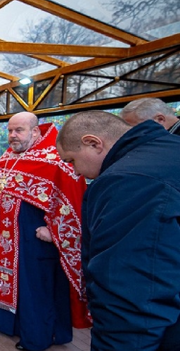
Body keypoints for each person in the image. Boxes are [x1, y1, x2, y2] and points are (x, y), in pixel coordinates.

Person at [57, 111, 180, 351]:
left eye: (71, 161)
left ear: (93, 143)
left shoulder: (127, 181)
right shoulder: (169, 150)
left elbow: (130, 289)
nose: (75, 172)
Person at [0, 111, 90, 351]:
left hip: (34, 242)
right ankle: (9, 324)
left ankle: (37, 337)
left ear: (35, 131)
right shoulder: (8, 157)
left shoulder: (56, 161)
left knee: (35, 289)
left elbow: (73, 203)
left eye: (18, 130)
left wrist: (55, 231)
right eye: (9, 131)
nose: (12, 136)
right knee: (17, 285)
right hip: (3, 239)